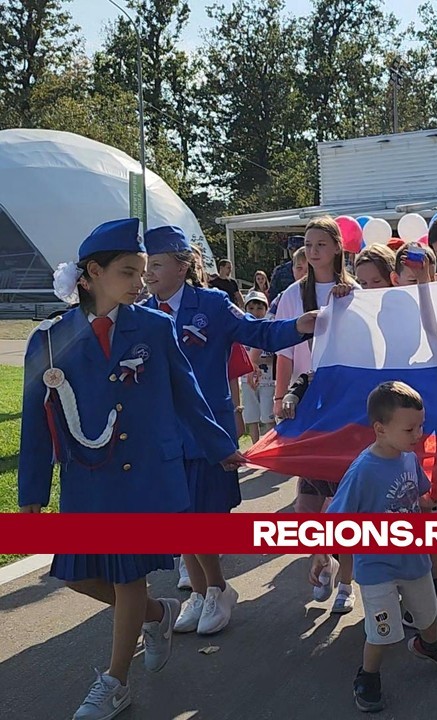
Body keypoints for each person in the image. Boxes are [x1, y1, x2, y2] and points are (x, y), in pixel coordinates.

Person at [18, 218, 245, 720]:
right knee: (75, 574)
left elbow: (188, 395)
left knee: (127, 576)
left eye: (143, 272)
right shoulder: (51, 340)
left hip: (144, 474)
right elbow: (36, 422)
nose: (140, 284)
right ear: (91, 274)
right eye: (128, 272)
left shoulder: (155, 327)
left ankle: (114, 681)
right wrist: (31, 492)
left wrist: (218, 446)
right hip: (87, 477)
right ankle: (157, 614)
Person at [142, 225, 318, 636]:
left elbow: (259, 333)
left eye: (156, 265)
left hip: (206, 430)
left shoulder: (214, 305)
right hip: (163, 431)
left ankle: (217, 587)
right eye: (145, 265)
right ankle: (201, 593)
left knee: (200, 515)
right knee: (177, 514)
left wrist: (300, 325)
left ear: (183, 267)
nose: (148, 273)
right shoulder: (142, 312)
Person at [315, 381, 437, 712]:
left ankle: (431, 645)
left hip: (414, 562)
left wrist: (430, 499)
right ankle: (368, 675)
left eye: (421, 425)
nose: (418, 434)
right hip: (376, 568)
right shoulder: (362, 471)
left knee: (429, 615)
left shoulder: (409, 457)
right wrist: (321, 553)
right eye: (410, 428)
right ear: (380, 429)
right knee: (382, 632)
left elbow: (421, 496)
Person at [274, 216, 360, 613]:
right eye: (307, 244)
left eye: (320, 244)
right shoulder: (293, 294)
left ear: (337, 248)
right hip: (306, 404)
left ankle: (347, 579)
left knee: (345, 496)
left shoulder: (354, 292)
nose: (312, 251)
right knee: (307, 500)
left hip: (344, 405)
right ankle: (318, 559)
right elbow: (285, 352)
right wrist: (280, 399)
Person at [240, 291, 276, 444]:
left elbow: (276, 355)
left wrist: (262, 359)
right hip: (247, 379)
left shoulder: (269, 328)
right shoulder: (242, 329)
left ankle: (269, 448)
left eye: (259, 308)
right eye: (252, 308)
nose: (255, 312)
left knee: (268, 414)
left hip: (267, 379)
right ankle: (255, 448)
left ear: (266, 309)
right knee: (251, 415)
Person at [269, 235, 305, 300]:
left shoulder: (316, 268)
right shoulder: (280, 271)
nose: (294, 252)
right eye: (291, 249)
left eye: (297, 248)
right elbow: (273, 295)